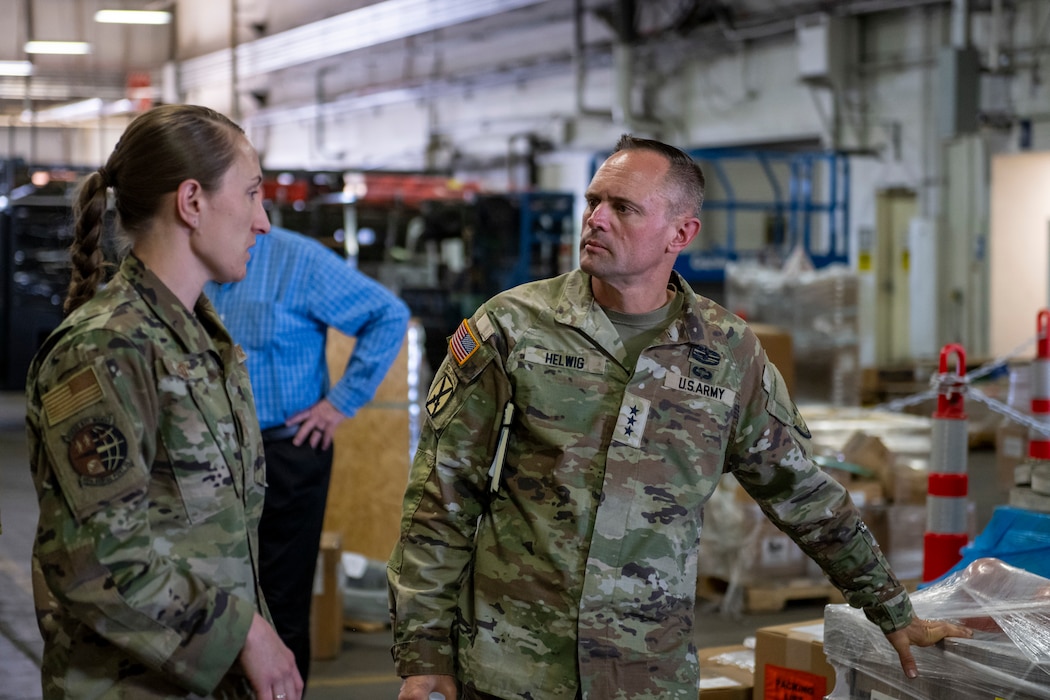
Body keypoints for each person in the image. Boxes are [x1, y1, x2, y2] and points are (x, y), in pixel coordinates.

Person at [387, 134, 972, 700]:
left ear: (681, 233)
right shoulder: (512, 329)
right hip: (514, 670)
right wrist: (424, 656)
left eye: (623, 208)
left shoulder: (726, 353)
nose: (596, 219)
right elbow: (441, 498)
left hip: (647, 673)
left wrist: (891, 608)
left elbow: (803, 494)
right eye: (593, 202)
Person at [25, 104, 303, 700]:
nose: (264, 222)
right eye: (252, 194)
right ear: (192, 202)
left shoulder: (200, 340)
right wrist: (245, 637)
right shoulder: (108, 349)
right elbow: (95, 565)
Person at [206, 224, 410, 686]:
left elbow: (387, 314)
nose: (257, 219)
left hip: (286, 453)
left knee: (281, 601)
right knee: (211, 598)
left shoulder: (298, 260)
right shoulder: (193, 262)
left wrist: (341, 401)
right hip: (208, 454)